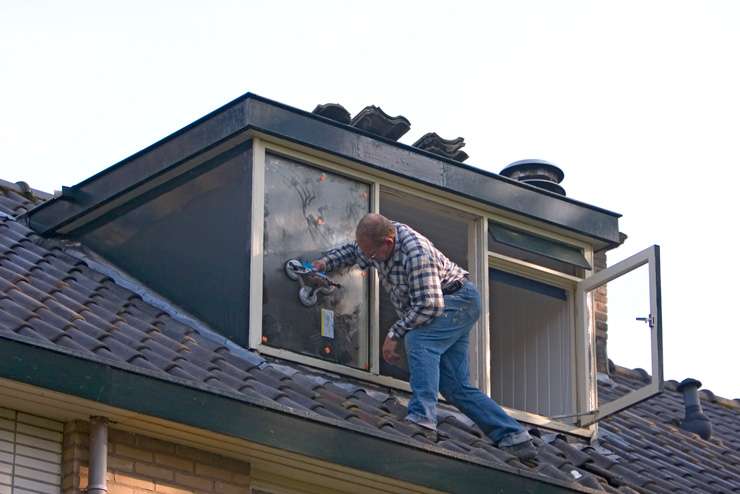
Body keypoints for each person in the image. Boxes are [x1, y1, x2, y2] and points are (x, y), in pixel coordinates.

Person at [312, 213, 536, 460]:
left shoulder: (416, 254)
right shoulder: (374, 243)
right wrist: (324, 264)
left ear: (387, 242)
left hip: (457, 302)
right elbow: (354, 253)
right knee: (454, 385)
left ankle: (422, 419)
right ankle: (513, 435)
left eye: (373, 255)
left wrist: (394, 333)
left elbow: (430, 305)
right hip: (451, 304)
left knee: (419, 341)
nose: (369, 259)